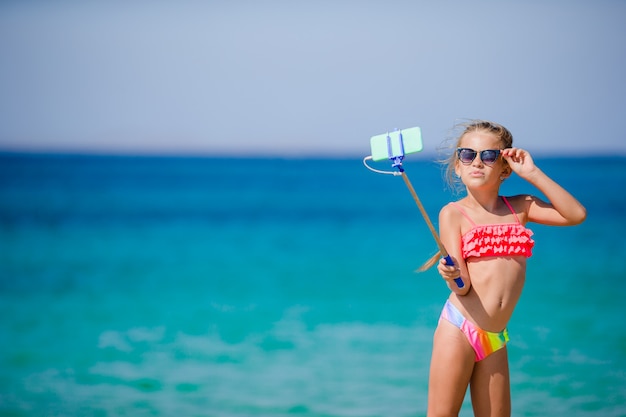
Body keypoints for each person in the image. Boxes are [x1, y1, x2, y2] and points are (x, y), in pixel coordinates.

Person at [422, 120, 586, 417]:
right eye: (467, 154)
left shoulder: (520, 207)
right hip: (459, 328)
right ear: (458, 166)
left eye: (488, 156)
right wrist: (451, 275)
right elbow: (463, 287)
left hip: (496, 337)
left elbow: (575, 214)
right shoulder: (453, 214)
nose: (477, 162)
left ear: (505, 168)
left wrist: (532, 173)